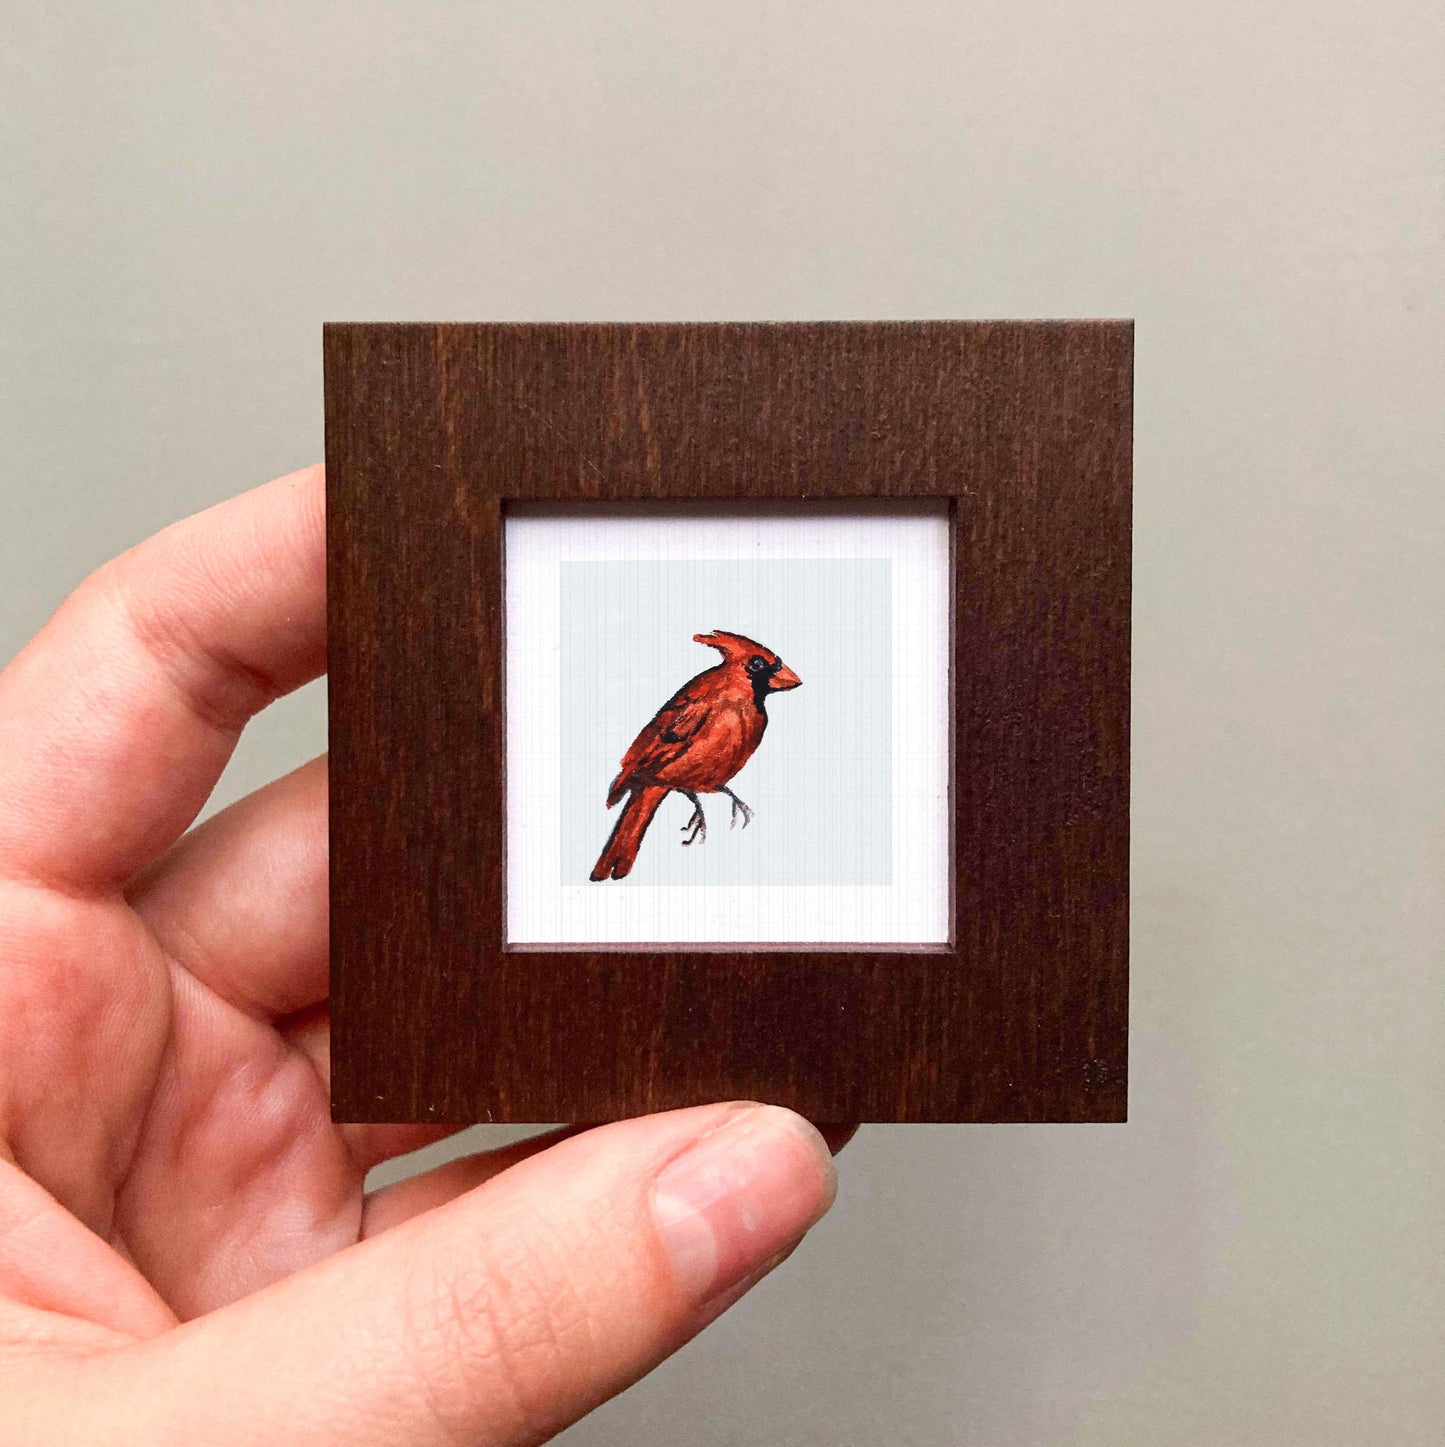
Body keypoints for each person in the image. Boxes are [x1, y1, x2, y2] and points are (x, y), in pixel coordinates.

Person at [0, 465, 844, 1443]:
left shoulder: (743, 707)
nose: (769, 680)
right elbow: (659, 748)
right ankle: (626, 851)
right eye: (758, 671)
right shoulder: (706, 702)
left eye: (764, 673)